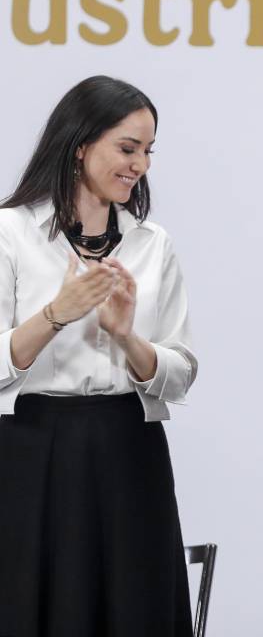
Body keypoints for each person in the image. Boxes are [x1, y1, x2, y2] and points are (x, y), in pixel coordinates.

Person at [0, 76, 198, 637]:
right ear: (81, 143)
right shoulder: (10, 232)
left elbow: (181, 371)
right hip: (31, 448)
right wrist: (57, 314)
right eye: (128, 148)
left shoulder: (151, 243)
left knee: (134, 603)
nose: (139, 165)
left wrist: (127, 337)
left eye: (148, 152)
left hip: (128, 447)